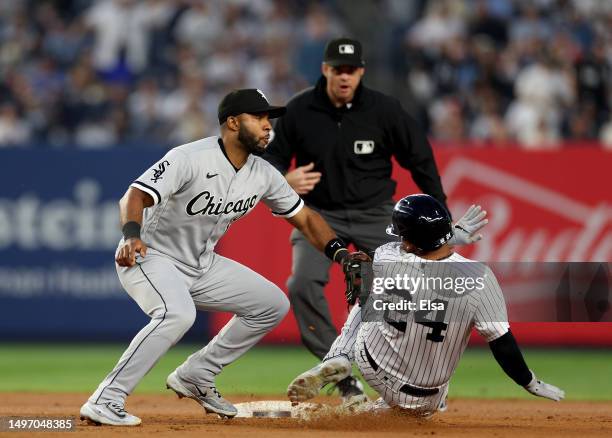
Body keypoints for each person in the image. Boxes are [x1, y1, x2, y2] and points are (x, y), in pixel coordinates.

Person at [79, 89, 364, 426]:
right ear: (232, 122)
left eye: (268, 119)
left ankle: (197, 374)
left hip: (202, 264)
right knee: (177, 313)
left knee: (271, 304)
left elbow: (305, 218)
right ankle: (106, 398)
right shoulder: (189, 157)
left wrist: (340, 254)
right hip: (151, 257)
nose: (266, 126)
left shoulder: (263, 173)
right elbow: (135, 195)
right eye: (257, 118)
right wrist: (131, 236)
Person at [263, 37, 449, 400]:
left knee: (406, 291)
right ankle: (342, 375)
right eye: (338, 70)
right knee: (301, 284)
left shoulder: (384, 110)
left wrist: (440, 215)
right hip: (318, 214)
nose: (344, 76)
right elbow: (270, 160)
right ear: (325, 70)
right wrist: (282, 180)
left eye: (351, 70)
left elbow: (421, 159)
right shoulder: (299, 110)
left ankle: (415, 380)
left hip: (375, 212)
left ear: (361, 71)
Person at [287, 194, 564, 416]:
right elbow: (502, 344)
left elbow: (387, 257)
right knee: (416, 401)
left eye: (403, 236)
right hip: (428, 396)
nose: (400, 240)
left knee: (369, 297)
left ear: (411, 242)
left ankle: (340, 355)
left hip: (373, 365)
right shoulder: (481, 278)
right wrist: (528, 381)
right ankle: (383, 402)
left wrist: (449, 235)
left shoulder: (387, 259)